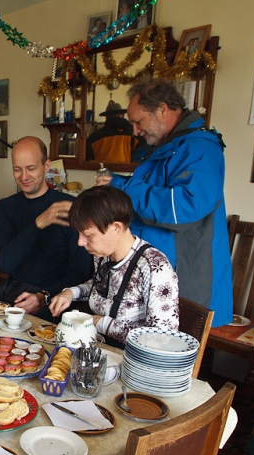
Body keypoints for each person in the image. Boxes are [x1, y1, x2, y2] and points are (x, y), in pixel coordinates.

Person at [95, 79, 233, 326]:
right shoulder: (170, 145)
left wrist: (123, 187)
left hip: (185, 274)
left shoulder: (198, 149)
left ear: (162, 109)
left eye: (139, 121)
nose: (135, 130)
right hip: (156, 269)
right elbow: (156, 189)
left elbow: (182, 208)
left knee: (171, 351)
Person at [49, 187, 179, 346]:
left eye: (88, 235)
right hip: (98, 349)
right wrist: (71, 293)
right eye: (79, 234)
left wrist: (100, 322)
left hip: (131, 360)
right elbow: (101, 287)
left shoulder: (154, 267)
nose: (80, 242)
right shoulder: (104, 255)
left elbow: (162, 338)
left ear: (116, 228)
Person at [0, 136, 90, 320]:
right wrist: (38, 224)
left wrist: (44, 296)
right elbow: (5, 263)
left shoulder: (69, 207)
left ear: (46, 166)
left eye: (31, 168)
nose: (24, 177)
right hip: (13, 293)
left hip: (54, 299)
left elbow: (80, 271)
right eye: (17, 169)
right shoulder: (5, 207)